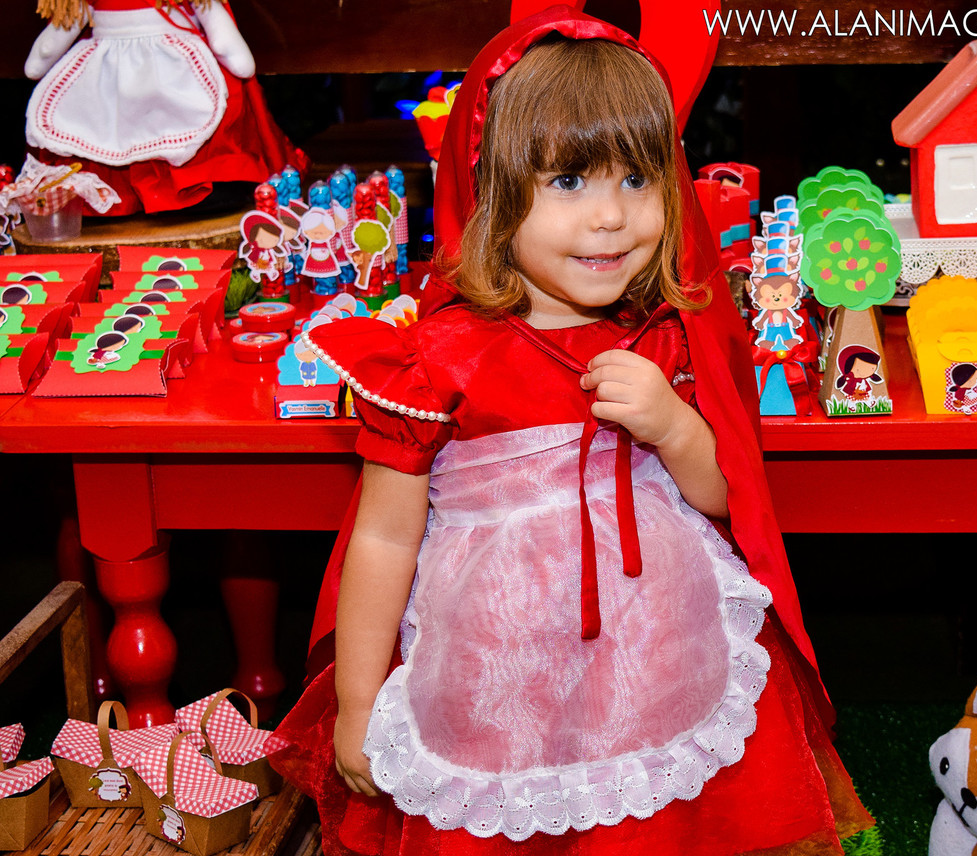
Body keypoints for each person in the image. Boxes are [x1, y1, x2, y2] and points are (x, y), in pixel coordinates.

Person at [270, 8, 871, 856]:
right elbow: (382, 537)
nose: (610, 218)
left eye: (637, 179)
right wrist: (362, 700)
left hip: (659, 666)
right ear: (490, 187)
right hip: (496, 682)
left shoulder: (670, 331)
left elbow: (722, 497)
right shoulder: (437, 359)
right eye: (567, 183)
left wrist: (672, 424)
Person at [24, 0, 305, 216]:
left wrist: (38, 61)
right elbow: (224, 44)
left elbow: (45, 52)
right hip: (171, 61)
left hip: (106, 70)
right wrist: (236, 56)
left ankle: (117, 194)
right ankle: (183, 188)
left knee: (93, 125)